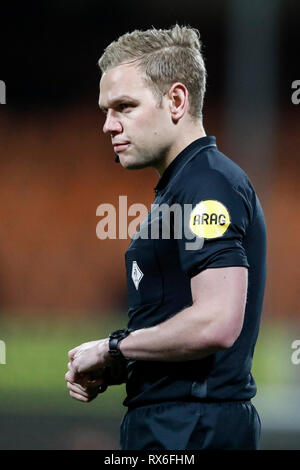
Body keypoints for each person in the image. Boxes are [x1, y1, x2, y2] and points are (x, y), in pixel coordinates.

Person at [65, 25, 266, 450]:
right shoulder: (182, 189)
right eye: (105, 110)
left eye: (124, 107)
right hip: (176, 424)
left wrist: (114, 348)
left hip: (192, 430)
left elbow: (217, 323)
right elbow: (181, 328)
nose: (107, 126)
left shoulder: (208, 186)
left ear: (176, 100)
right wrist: (124, 365)